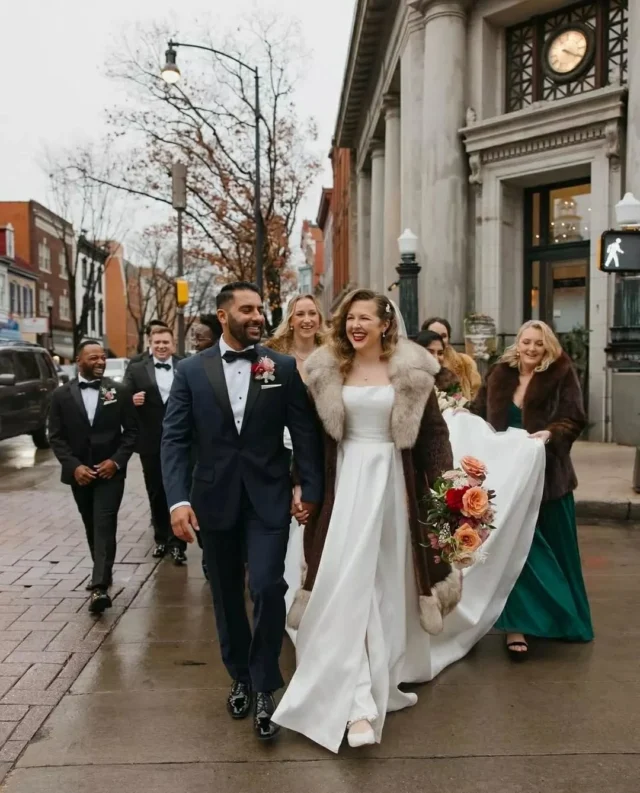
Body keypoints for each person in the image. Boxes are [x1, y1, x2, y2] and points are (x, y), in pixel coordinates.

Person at [273, 289, 460, 753]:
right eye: (349, 318)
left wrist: (447, 494)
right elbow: (311, 443)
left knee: (383, 586)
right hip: (345, 487)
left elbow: (435, 438)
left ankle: (379, 674)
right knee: (344, 581)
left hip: (395, 489)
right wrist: (303, 487)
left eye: (365, 318)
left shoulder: (415, 374)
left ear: (385, 324)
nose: (355, 325)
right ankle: (356, 701)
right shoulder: (325, 371)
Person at [161, 281, 324, 742]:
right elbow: (173, 439)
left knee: (270, 585)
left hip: (268, 497)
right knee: (227, 592)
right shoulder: (191, 371)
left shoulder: (283, 368)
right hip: (213, 500)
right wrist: (178, 500)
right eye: (247, 309)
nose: (257, 316)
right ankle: (240, 675)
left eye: (260, 309)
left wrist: (308, 489)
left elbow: (305, 435)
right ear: (223, 313)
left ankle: (265, 684)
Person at [470, 320, 593, 658]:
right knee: (516, 553)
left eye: (538, 343)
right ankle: (516, 627)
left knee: (556, 553)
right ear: (517, 343)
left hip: (550, 478)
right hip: (507, 477)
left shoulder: (561, 372)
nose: (531, 348)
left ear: (547, 346)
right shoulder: (499, 374)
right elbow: (479, 414)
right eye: (526, 341)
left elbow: (575, 418)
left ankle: (565, 620)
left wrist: (550, 434)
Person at [48, 340, 138, 614]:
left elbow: (132, 432)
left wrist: (116, 461)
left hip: (110, 473)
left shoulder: (118, 391)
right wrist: (74, 466)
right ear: (79, 361)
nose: (100, 362)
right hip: (80, 476)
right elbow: (56, 436)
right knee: (91, 524)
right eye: (93, 358)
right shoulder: (61, 395)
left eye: (102, 358)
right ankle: (104, 571)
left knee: (103, 523)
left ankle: (99, 586)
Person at [264, 294, 327, 637]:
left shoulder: (332, 354)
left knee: (313, 525)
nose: (306, 319)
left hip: (318, 450)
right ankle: (285, 596)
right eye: (299, 313)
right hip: (278, 449)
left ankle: (311, 595)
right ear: (290, 318)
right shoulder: (273, 356)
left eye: (312, 313)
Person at [123, 326, 186, 564]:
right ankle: (161, 539)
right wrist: (131, 400)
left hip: (180, 440)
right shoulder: (137, 368)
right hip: (150, 440)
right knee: (156, 491)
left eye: (166, 342)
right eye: (157, 342)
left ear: (173, 343)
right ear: (150, 344)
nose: (161, 346)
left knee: (178, 489)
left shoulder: (185, 366)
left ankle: (178, 544)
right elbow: (122, 397)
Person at [422, 316, 482, 400]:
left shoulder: (466, 362)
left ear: (449, 338)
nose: (439, 340)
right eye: (434, 335)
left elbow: (477, 395)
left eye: (443, 336)